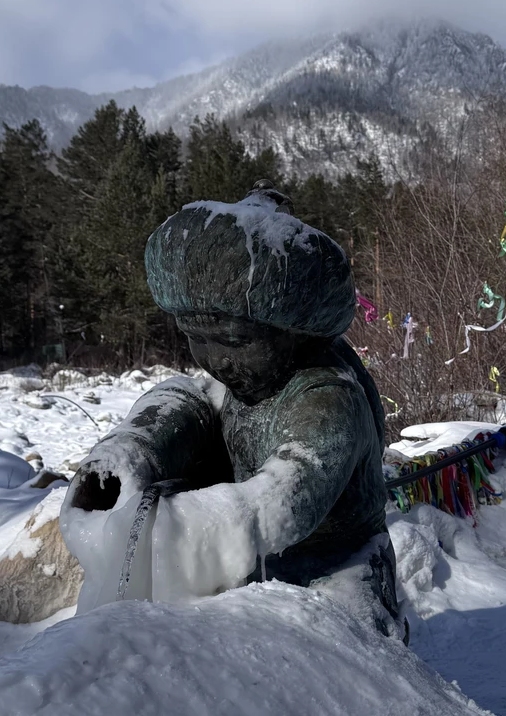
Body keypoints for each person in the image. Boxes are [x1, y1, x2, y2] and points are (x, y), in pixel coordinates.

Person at [60, 183, 399, 626]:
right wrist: (131, 452)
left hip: (336, 570)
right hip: (255, 571)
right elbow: (189, 401)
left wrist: (180, 534)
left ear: (295, 331)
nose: (219, 359)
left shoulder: (327, 396)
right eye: (198, 338)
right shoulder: (239, 384)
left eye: (238, 341)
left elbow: (285, 496)